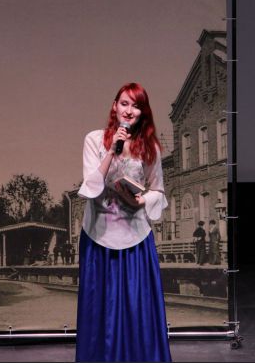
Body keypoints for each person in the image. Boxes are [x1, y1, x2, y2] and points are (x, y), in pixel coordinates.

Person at [76, 82, 172, 362]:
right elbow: (90, 187)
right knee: (99, 309)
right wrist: (112, 151)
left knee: (138, 308)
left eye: (137, 106)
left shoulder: (150, 148)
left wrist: (142, 200)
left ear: (143, 112)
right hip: (98, 237)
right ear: (114, 106)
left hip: (135, 238)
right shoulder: (94, 140)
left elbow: (159, 191)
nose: (130, 111)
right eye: (125, 104)